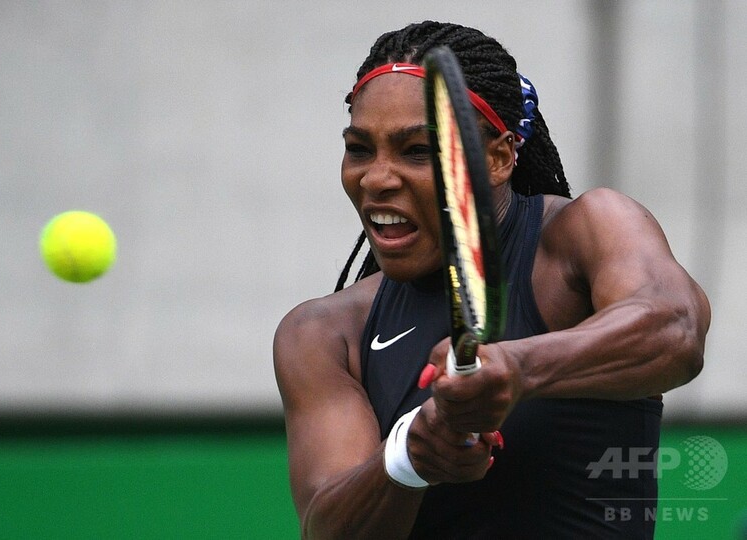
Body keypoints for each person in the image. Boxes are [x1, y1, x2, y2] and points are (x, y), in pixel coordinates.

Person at [273, 21, 710, 539]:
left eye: (418, 151)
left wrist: (518, 368)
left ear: (498, 159)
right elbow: (327, 527)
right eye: (360, 149)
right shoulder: (321, 333)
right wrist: (408, 458)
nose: (376, 177)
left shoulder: (587, 232)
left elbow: (676, 328)